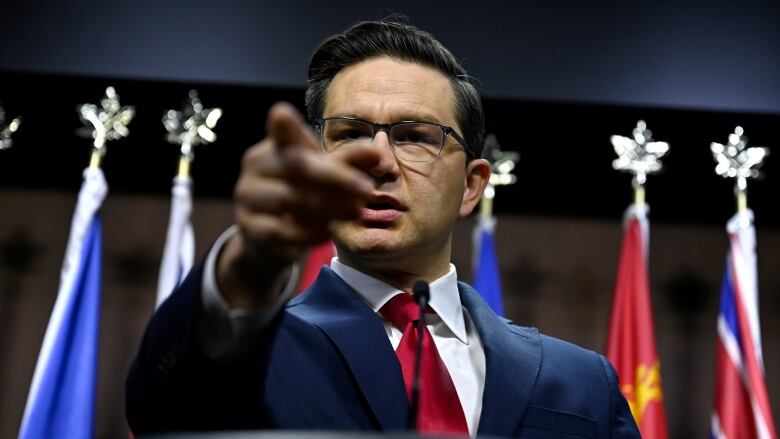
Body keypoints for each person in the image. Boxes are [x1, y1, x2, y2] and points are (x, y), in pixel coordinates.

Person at [126, 20, 640, 438]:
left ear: (472, 185)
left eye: (415, 136)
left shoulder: (580, 383)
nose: (378, 161)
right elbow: (163, 412)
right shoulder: (245, 351)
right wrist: (248, 262)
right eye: (349, 134)